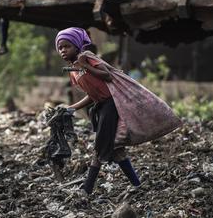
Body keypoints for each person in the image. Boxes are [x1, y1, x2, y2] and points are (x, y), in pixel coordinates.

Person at [55, 27, 181, 195]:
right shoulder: (73, 71)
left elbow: (107, 76)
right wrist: (71, 109)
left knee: (100, 146)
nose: (63, 50)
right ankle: (137, 185)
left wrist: (85, 65)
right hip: (101, 107)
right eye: (60, 47)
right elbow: (92, 94)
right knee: (116, 148)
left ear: (77, 45)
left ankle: (87, 189)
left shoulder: (87, 57)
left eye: (67, 46)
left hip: (112, 104)